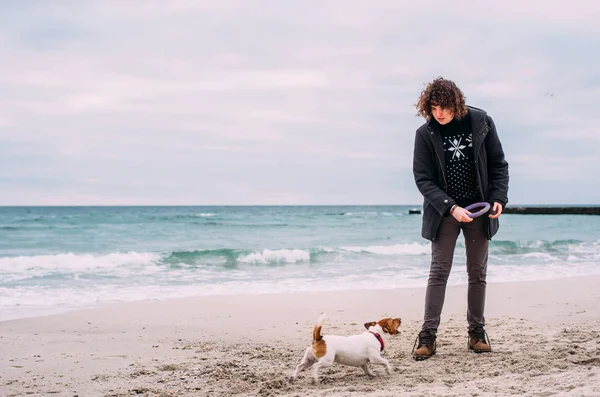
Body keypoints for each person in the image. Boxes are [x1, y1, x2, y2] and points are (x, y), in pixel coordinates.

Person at [411, 77, 509, 360]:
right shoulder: (425, 133)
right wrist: (451, 207)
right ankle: (428, 336)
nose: (438, 112)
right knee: (438, 272)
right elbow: (423, 179)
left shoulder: (481, 122)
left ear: (456, 103)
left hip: (479, 209)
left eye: (443, 106)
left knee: (477, 273)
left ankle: (476, 333)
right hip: (445, 212)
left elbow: (498, 164)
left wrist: (499, 198)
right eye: (433, 107)